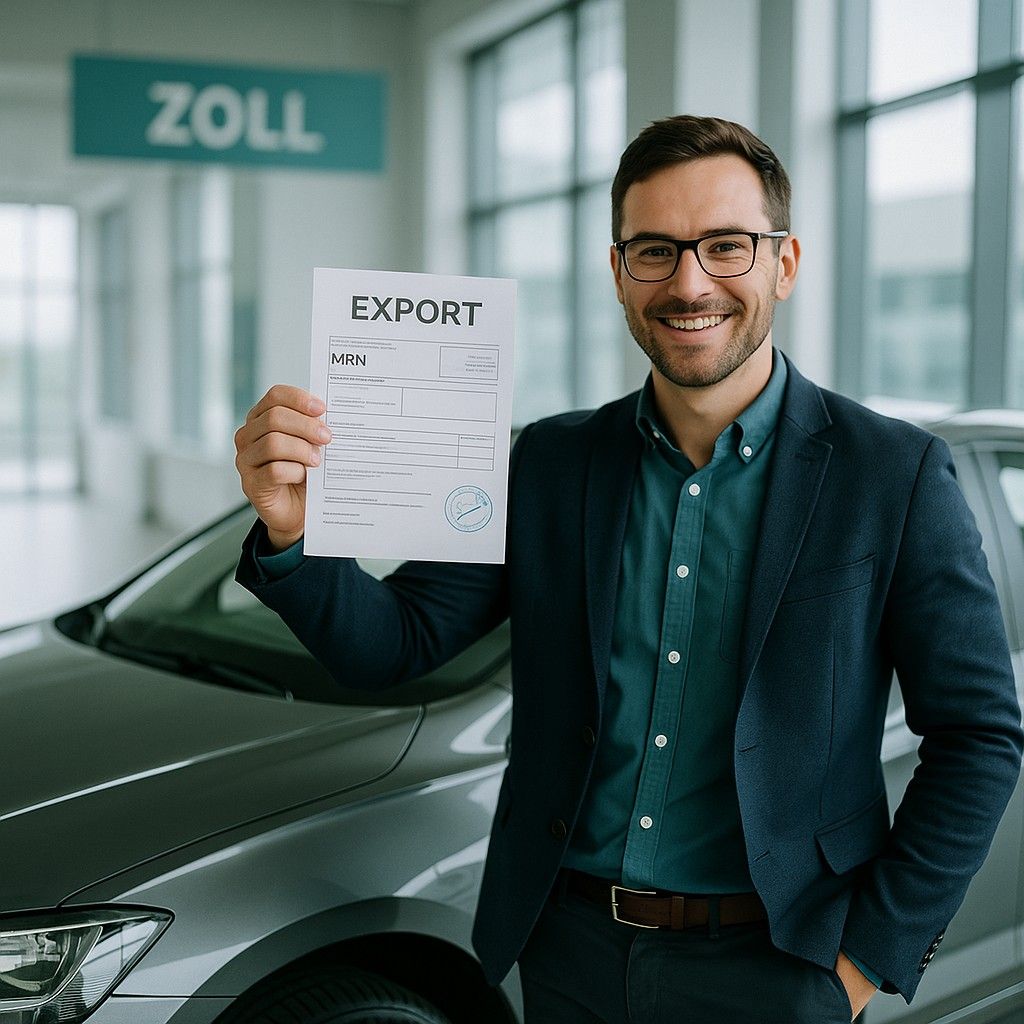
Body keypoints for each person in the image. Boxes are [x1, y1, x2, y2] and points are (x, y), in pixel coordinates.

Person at [233, 115, 1023, 1023]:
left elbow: (978, 737)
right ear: (618, 272)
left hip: (780, 964)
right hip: (569, 953)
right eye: (655, 251)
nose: (689, 284)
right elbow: (395, 644)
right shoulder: (548, 462)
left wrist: (865, 957)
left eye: (726, 246)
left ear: (785, 263)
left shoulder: (892, 474)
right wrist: (293, 534)